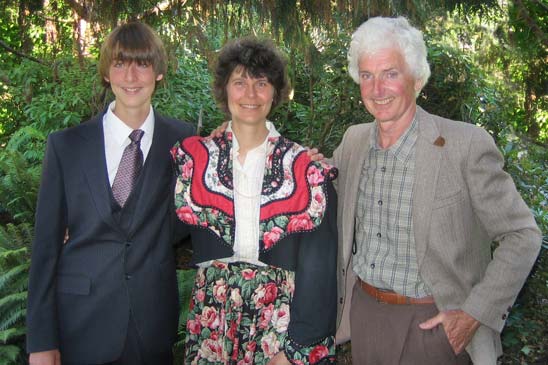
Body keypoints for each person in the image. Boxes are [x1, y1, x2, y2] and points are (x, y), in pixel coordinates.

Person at [333, 16, 542, 364]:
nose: (377, 89)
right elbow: (319, 186)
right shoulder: (353, 142)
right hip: (365, 318)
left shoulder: (465, 145)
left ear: (416, 79)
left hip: (435, 328)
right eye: (367, 75)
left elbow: (522, 234)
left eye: (390, 73)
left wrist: (474, 314)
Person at [26, 22, 195, 365]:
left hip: (151, 326)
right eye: (119, 64)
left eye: (142, 63)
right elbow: (45, 247)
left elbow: (191, 217)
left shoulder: (185, 142)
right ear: (106, 72)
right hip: (80, 322)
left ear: (159, 72)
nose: (131, 76)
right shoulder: (66, 146)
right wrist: (41, 342)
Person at [171, 37, 338, 365]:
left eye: (261, 83)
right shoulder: (194, 162)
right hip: (213, 320)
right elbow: (154, 228)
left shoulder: (306, 169)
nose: (250, 94)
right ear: (224, 90)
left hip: (283, 323)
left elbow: (320, 266)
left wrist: (296, 348)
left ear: (275, 92)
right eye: (240, 82)